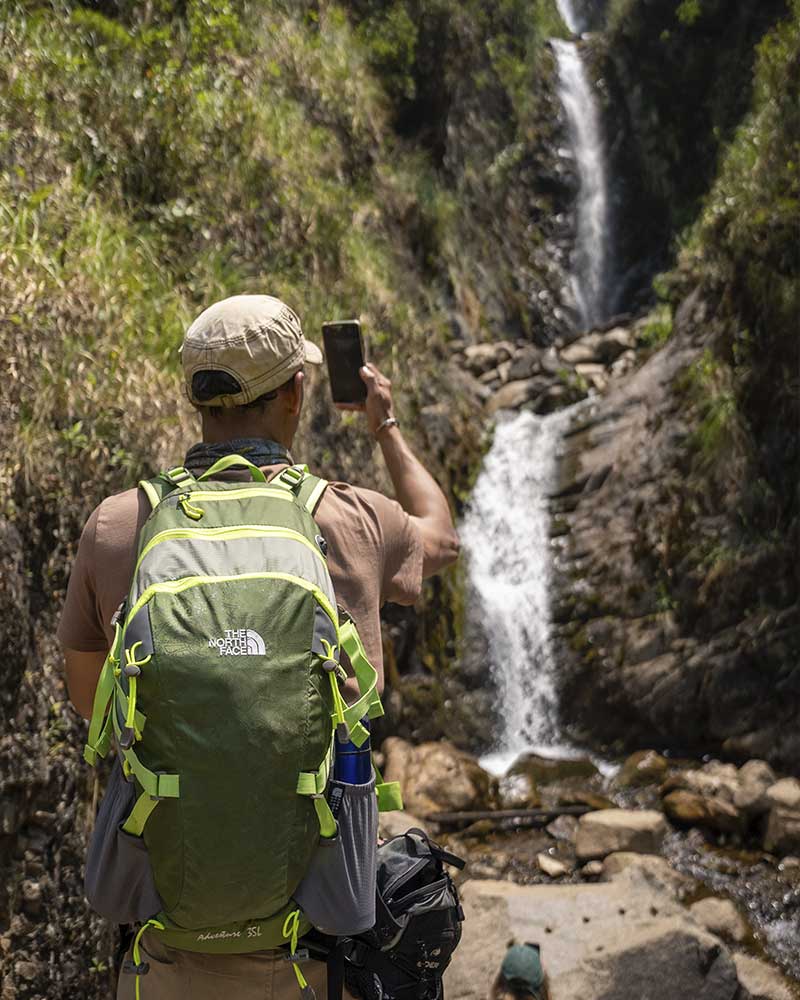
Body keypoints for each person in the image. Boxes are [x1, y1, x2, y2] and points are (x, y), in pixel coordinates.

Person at [58, 294, 460, 999]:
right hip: (316, 958)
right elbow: (443, 538)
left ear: (197, 398)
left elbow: (94, 706)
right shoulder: (353, 518)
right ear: (297, 392)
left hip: (163, 957)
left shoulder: (121, 527)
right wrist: (384, 425)